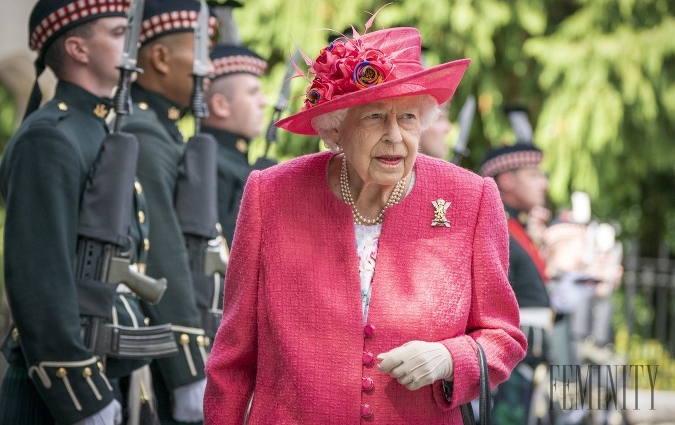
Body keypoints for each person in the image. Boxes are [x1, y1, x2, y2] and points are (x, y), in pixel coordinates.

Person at [204, 24, 527, 423]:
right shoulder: (271, 194)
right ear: (335, 126)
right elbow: (232, 356)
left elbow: (503, 337)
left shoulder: (470, 198)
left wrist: (449, 358)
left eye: (408, 118)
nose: (395, 137)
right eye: (375, 117)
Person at [0, 0, 157, 424]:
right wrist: (79, 393)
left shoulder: (95, 130)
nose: (132, 42)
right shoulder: (49, 137)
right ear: (77, 49)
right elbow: (39, 277)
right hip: (59, 393)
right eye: (115, 32)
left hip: (106, 371)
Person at [121, 0, 217, 424]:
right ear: (160, 57)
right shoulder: (144, 130)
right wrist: (189, 370)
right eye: (201, 53)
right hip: (156, 349)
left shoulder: (164, 130)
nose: (209, 68)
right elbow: (163, 251)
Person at [479, 142, 553, 424]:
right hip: (512, 354)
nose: (543, 182)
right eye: (533, 174)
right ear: (507, 180)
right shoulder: (498, 225)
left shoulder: (516, 226)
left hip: (528, 352)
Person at [201, 44, 268, 245]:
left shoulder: (231, 160)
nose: (263, 101)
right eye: (252, 92)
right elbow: (223, 247)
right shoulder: (210, 163)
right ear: (220, 105)